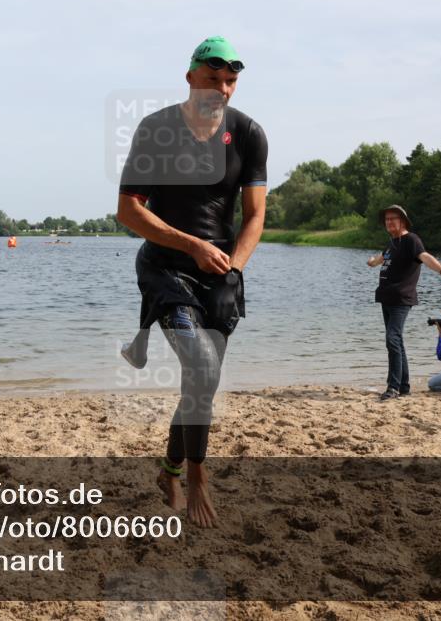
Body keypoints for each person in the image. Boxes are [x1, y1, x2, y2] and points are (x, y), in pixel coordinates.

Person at [116, 36, 267, 528]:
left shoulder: (249, 134)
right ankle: (199, 476)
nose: (221, 89)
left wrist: (234, 268)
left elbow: (255, 215)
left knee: (201, 382)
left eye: (230, 81)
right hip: (164, 268)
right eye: (212, 79)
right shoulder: (156, 129)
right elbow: (128, 211)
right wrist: (193, 247)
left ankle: (169, 470)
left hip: (220, 273)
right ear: (190, 78)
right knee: (201, 368)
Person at [367, 205, 441, 401]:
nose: (389, 222)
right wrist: (372, 261)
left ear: (403, 222)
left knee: (392, 338)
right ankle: (404, 386)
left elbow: (425, 257)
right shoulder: (393, 242)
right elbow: (381, 258)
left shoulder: (411, 240)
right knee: (397, 340)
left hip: (401, 298)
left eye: (393, 218)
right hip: (386, 297)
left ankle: (393, 387)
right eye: (387, 219)